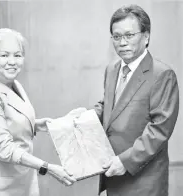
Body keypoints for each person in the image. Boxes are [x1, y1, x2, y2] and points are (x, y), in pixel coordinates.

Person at [0, 28, 75, 196]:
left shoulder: (14, 85)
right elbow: (5, 148)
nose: (12, 61)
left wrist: (37, 124)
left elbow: (7, 122)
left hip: (19, 182)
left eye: (17, 55)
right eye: (4, 55)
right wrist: (48, 167)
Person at [93, 4, 179, 196]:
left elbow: (159, 129)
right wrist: (86, 117)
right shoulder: (112, 69)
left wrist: (125, 161)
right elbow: (110, 107)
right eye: (116, 37)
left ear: (146, 36)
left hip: (143, 178)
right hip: (113, 173)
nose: (122, 42)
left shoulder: (162, 74)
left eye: (129, 35)